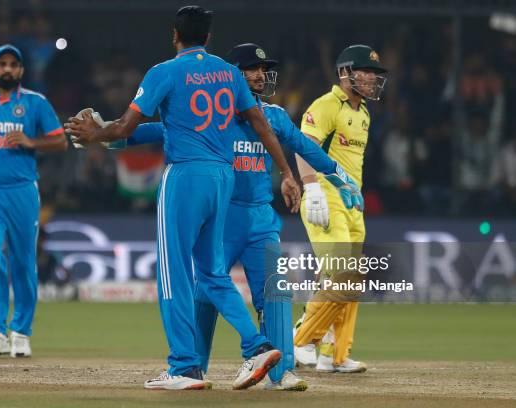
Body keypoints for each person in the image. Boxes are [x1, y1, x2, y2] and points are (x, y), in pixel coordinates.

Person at [65, 6, 301, 391]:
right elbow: (260, 123)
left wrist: (97, 133)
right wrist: (287, 173)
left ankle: (184, 367)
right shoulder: (228, 71)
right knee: (212, 273)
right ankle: (257, 346)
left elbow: (128, 126)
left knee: (173, 272)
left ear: (175, 35)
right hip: (224, 178)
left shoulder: (164, 72)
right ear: (208, 38)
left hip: (185, 175)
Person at [112, 43, 363, 390]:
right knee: (206, 289)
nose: (260, 75)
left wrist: (336, 174)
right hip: (224, 217)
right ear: (230, 75)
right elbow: (158, 130)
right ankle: (193, 368)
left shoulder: (272, 116)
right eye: (251, 69)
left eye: (263, 69)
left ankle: (280, 372)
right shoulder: (216, 119)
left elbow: (304, 146)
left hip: (261, 218)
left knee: (275, 292)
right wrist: (109, 136)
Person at [0, 44, 67, 358]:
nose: (7, 69)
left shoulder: (35, 103)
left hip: (22, 191)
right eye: (1, 64)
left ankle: (21, 331)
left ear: (21, 71)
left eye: (13, 65)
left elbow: (60, 141)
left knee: (22, 262)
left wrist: (32, 141)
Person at [293, 44, 387, 373]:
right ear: (347, 73)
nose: (375, 78)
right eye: (368, 72)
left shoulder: (363, 114)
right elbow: (303, 147)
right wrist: (312, 187)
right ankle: (301, 340)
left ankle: (335, 355)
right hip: (325, 198)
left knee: (351, 278)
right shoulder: (326, 105)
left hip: (352, 202)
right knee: (342, 273)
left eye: (377, 74)